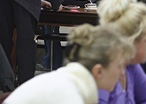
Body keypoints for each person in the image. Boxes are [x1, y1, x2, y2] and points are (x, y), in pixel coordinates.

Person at [4, 24, 133, 104]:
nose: (123, 73)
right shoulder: (69, 93)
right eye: (119, 66)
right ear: (98, 71)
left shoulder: (71, 80)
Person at [0, 0, 68, 85]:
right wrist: (57, 4)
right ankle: (26, 83)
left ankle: (4, 82)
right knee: (25, 41)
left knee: (3, 40)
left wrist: (38, 0)